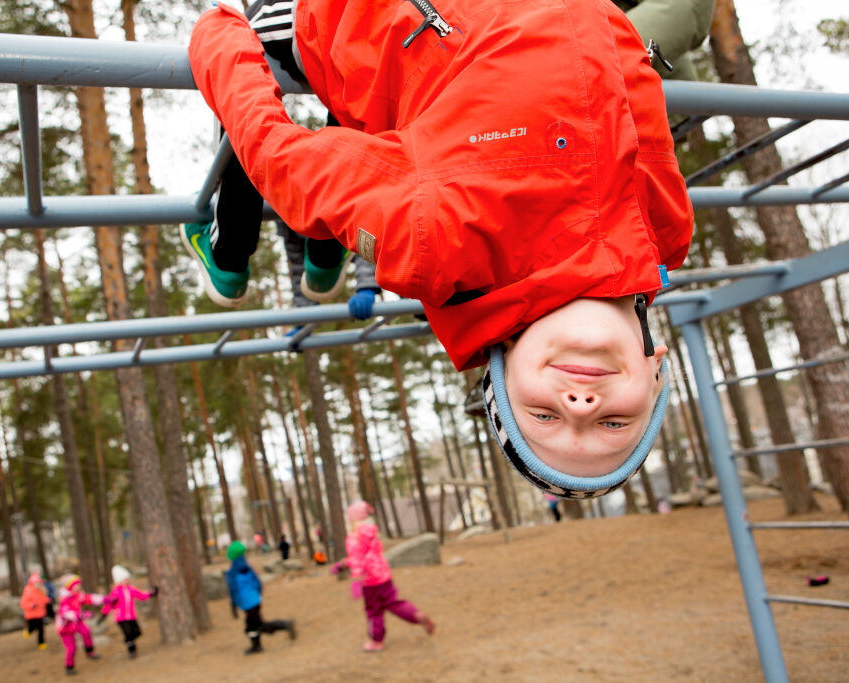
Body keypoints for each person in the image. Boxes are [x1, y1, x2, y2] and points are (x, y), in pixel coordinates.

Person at [186, 0, 698, 498]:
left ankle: (246, 258)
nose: (581, 406)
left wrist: (218, 33)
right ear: (656, 369)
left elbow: (279, 158)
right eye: (614, 422)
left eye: (544, 416)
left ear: (500, 368)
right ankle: (315, 255)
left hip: (373, 23)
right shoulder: (665, 229)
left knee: (260, 36)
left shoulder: (440, 247)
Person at [331, 501, 434, 652]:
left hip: (370, 581)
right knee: (394, 603)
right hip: (384, 576)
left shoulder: (354, 537)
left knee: (374, 611)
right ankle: (416, 615)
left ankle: (376, 641)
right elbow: (370, 554)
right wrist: (342, 565)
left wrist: (356, 579)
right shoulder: (372, 532)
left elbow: (358, 559)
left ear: (352, 518)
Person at [225, 541, 296, 654]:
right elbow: (257, 584)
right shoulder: (248, 568)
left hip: (248, 604)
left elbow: (233, 590)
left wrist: (233, 604)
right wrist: (256, 595)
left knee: (258, 626)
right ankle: (257, 645)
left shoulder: (232, 573)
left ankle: (284, 625)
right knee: (252, 626)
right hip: (255, 600)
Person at [100, 565, 158, 659]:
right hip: (121, 618)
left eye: (127, 579)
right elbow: (109, 604)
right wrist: (104, 614)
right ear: (119, 581)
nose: (126, 581)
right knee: (128, 633)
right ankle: (132, 650)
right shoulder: (115, 592)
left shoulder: (131, 589)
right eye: (124, 579)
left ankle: (128, 641)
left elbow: (141, 595)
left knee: (138, 632)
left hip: (131, 616)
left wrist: (151, 593)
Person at [55, 574, 103, 676]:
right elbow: (66, 613)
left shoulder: (78, 595)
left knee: (86, 632)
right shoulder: (64, 599)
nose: (79, 586)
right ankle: (69, 667)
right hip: (65, 627)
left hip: (77, 622)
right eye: (76, 585)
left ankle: (90, 652)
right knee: (71, 648)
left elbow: (90, 598)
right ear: (70, 587)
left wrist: (105, 599)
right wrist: (82, 615)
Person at [20, 572, 52, 650]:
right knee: (33, 627)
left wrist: (48, 601)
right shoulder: (28, 591)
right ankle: (29, 631)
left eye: (39, 583)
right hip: (31, 615)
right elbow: (23, 603)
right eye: (36, 583)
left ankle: (41, 643)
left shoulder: (41, 590)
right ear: (32, 583)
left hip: (40, 613)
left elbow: (43, 599)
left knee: (41, 629)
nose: (38, 585)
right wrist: (31, 605)